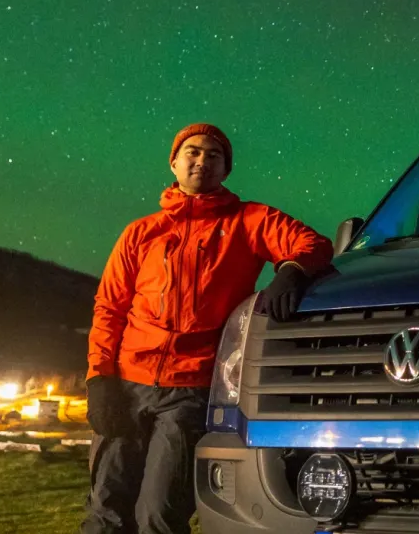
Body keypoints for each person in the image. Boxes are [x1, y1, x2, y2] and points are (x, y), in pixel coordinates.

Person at [81, 123, 334, 533]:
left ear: (226, 168)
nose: (202, 160)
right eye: (193, 152)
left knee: (159, 515)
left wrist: (290, 271)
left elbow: (314, 244)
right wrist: (99, 379)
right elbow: (109, 308)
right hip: (126, 385)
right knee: (105, 510)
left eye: (214, 155)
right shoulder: (141, 233)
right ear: (174, 162)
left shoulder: (248, 220)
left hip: (190, 392)